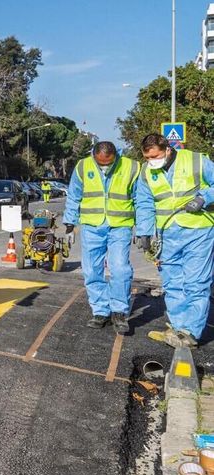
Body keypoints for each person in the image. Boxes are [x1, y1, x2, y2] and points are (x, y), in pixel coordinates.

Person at [136, 133, 214, 348]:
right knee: (172, 283)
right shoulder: (146, 171)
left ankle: (191, 332)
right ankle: (179, 327)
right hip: (167, 233)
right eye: (147, 158)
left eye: (156, 156)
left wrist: (204, 198)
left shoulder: (196, 160)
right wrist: (144, 232)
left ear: (168, 149)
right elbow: (144, 202)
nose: (152, 161)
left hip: (198, 230)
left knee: (196, 282)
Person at [62, 141, 140, 335]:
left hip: (120, 226)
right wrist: (70, 224)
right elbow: (74, 195)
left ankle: (119, 311)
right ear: (94, 156)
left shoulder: (132, 166)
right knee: (91, 270)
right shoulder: (83, 166)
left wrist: (143, 228)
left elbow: (141, 199)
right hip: (91, 226)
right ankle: (100, 310)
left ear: (116, 156)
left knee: (120, 268)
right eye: (100, 163)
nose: (104, 167)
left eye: (109, 163)